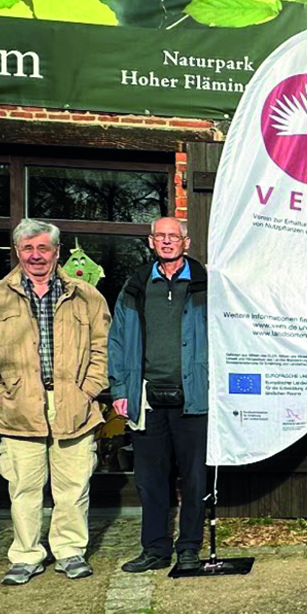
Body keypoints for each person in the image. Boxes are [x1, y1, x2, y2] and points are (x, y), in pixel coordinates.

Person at [0, 219, 110, 586]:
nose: (36, 256)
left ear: (57, 251)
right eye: (28, 249)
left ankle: (69, 551)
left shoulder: (86, 295)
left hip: (74, 405)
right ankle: (26, 555)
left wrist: (89, 389)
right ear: (17, 252)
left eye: (43, 248)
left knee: (73, 487)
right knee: (24, 488)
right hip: (18, 407)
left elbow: (103, 348)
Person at [109, 217, 208, 574]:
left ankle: (190, 548)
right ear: (151, 242)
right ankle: (155, 548)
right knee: (150, 480)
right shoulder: (136, 286)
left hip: (194, 395)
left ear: (187, 242)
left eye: (174, 236)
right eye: (160, 236)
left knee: (195, 478)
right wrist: (120, 389)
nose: (167, 242)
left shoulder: (205, 285)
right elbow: (117, 340)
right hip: (147, 397)